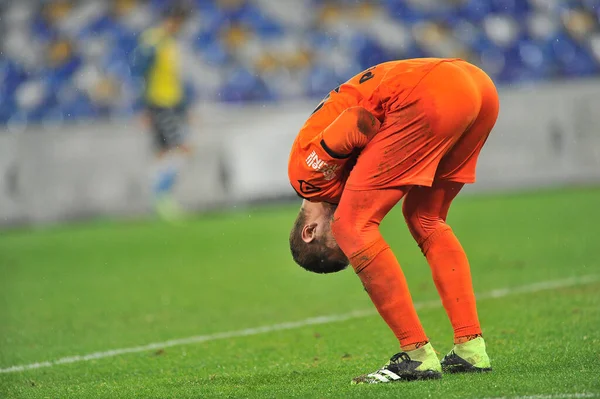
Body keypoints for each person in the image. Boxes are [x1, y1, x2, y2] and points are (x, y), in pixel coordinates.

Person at [287, 58, 499, 384]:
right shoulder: (323, 179)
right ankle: (471, 348)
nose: (348, 248)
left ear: (310, 231)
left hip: (429, 92)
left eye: (338, 247)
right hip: (477, 87)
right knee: (424, 218)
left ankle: (416, 355)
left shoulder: (305, 175)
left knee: (351, 224)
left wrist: (380, 157)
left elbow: (357, 122)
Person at [132, 4, 191, 221]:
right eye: (176, 20)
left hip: (171, 103)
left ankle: (156, 201)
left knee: (164, 153)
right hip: (159, 104)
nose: (177, 25)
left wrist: (184, 108)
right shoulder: (153, 40)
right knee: (182, 149)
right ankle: (161, 197)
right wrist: (143, 107)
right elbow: (140, 72)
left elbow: (175, 77)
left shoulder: (171, 42)